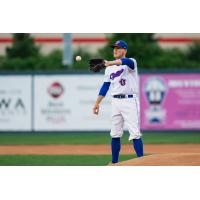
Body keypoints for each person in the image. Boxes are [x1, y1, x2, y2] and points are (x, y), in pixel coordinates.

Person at [93, 40, 144, 164]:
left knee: (135, 133)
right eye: (114, 48)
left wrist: (109, 62)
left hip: (130, 101)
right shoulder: (109, 69)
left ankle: (143, 163)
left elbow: (125, 62)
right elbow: (105, 86)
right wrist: (97, 103)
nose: (115, 50)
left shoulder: (131, 62)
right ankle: (114, 163)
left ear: (125, 50)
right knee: (115, 133)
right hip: (115, 102)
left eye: (118, 48)